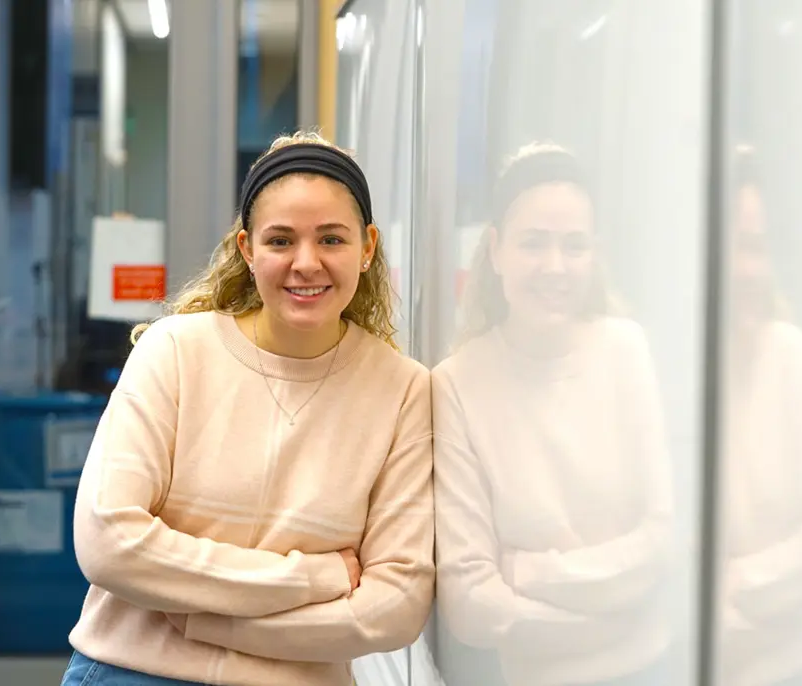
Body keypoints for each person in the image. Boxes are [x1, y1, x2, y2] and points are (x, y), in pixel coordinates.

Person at [61, 131, 435, 686]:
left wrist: (206, 622)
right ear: (247, 250)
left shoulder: (403, 391)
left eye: (331, 239)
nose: (306, 263)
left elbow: (394, 607)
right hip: (131, 672)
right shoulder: (174, 352)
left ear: (368, 247)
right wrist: (314, 578)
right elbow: (108, 542)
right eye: (281, 240)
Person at [432, 142, 675, 686]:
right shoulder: (456, 385)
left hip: (653, 671)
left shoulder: (627, 350)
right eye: (534, 243)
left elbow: (662, 542)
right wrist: (613, 609)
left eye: (574, 246)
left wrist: (527, 571)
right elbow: (470, 602)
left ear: (595, 256)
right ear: (495, 251)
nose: (555, 266)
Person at [717, 163, 802, 686]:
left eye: (757, 247)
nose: (748, 269)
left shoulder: (787, 352)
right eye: (732, 247)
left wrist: (732, 583)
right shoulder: (657, 369)